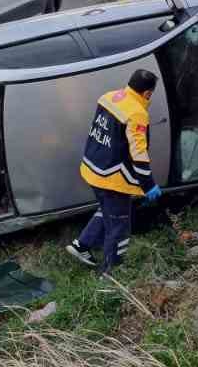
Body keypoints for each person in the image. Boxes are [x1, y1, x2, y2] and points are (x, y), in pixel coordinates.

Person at [67, 68, 161, 273]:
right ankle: (111, 274)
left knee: (107, 210)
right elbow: (139, 153)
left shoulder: (108, 97)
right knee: (119, 227)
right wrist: (149, 185)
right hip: (112, 178)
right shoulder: (137, 113)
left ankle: (82, 245)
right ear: (147, 93)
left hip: (93, 168)